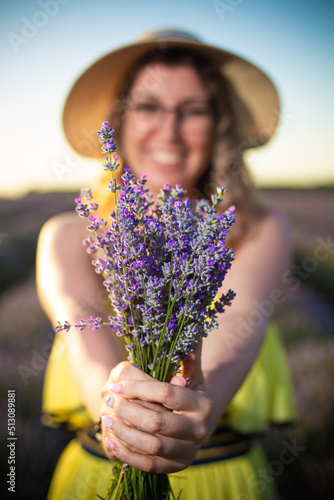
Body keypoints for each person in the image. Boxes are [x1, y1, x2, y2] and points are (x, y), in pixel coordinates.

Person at [37, 30, 297, 500]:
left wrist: (196, 406)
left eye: (193, 110)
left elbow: (235, 324)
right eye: (148, 106)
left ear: (218, 124)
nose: (170, 131)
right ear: (119, 120)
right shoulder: (70, 235)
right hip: (96, 477)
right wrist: (123, 419)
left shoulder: (257, 229)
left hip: (223, 483)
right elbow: (82, 333)